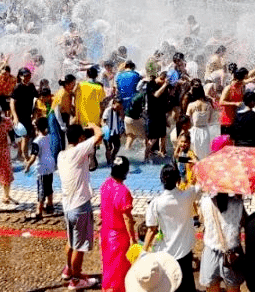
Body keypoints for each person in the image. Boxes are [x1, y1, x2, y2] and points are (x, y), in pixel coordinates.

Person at [57, 122, 103, 290]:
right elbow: (100, 135)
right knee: (80, 246)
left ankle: (68, 270)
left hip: (68, 206)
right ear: (81, 138)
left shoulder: (61, 155)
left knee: (71, 241)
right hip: (80, 206)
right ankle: (76, 280)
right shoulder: (78, 151)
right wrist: (93, 125)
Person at [145, 163, 198, 292]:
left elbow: (151, 230)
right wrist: (196, 165)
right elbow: (200, 184)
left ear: (161, 180)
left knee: (169, 286)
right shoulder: (188, 196)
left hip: (166, 251)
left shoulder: (156, 203)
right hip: (185, 251)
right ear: (178, 179)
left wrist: (144, 250)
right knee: (187, 285)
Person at [100, 156, 137, 292]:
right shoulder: (123, 192)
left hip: (105, 232)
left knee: (108, 269)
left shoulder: (106, 184)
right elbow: (127, 218)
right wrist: (132, 238)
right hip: (118, 237)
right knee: (118, 273)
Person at [200, 192, 245, 292]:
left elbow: (202, 221)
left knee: (212, 288)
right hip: (232, 253)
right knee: (233, 288)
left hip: (210, 252)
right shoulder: (238, 204)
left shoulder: (205, 201)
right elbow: (243, 223)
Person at [24, 117, 55, 220]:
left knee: (41, 189)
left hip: (42, 167)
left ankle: (39, 211)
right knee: (49, 186)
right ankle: (50, 206)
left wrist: (28, 165)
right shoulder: (50, 137)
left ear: (36, 128)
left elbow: (33, 156)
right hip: (51, 165)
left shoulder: (37, 141)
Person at [11, 68, 38, 162]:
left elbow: (37, 97)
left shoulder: (31, 86)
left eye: (29, 75)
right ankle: (25, 156)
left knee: (25, 136)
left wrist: (35, 113)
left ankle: (20, 155)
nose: (27, 77)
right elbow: (12, 102)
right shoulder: (18, 87)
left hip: (28, 113)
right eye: (25, 76)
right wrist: (15, 117)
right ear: (20, 76)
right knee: (25, 136)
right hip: (20, 114)